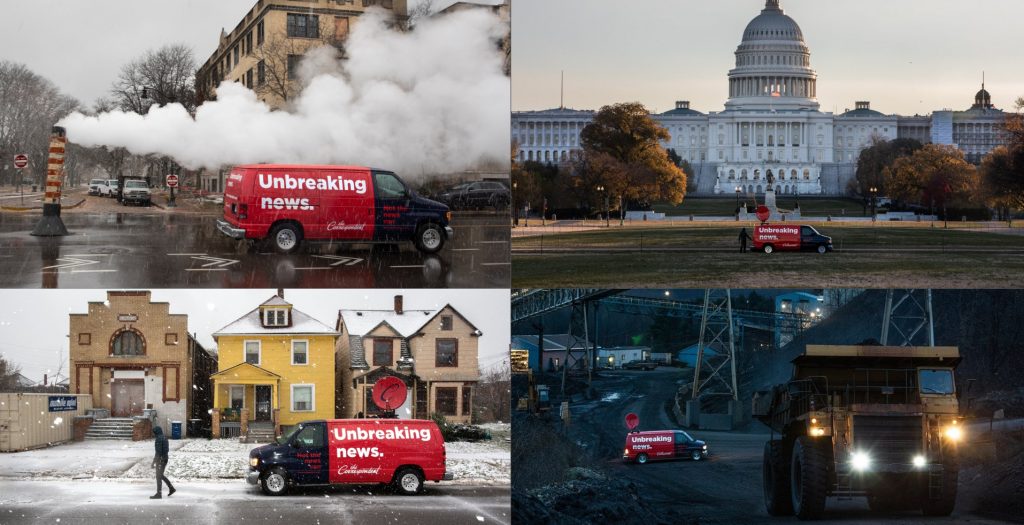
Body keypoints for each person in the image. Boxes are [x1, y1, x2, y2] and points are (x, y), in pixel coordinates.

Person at [150, 426, 175, 499]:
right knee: (160, 475)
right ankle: (171, 488)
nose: (154, 434)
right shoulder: (165, 438)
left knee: (159, 476)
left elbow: (158, 452)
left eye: (154, 432)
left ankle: (159, 494)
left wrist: (154, 462)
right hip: (165, 458)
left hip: (160, 460)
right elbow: (166, 449)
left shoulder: (158, 439)